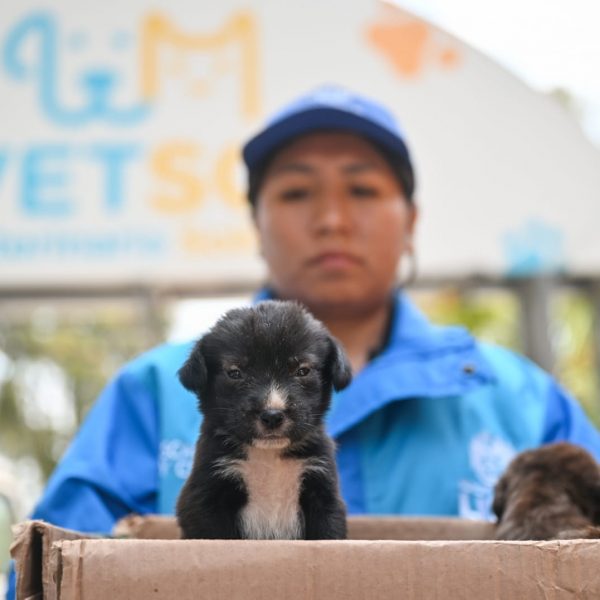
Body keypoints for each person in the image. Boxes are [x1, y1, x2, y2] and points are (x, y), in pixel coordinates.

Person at [7, 85, 600, 595]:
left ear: (412, 220)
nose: (332, 219)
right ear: (256, 224)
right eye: (296, 192)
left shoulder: (520, 397)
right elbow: (57, 571)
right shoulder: (153, 388)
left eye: (362, 189)